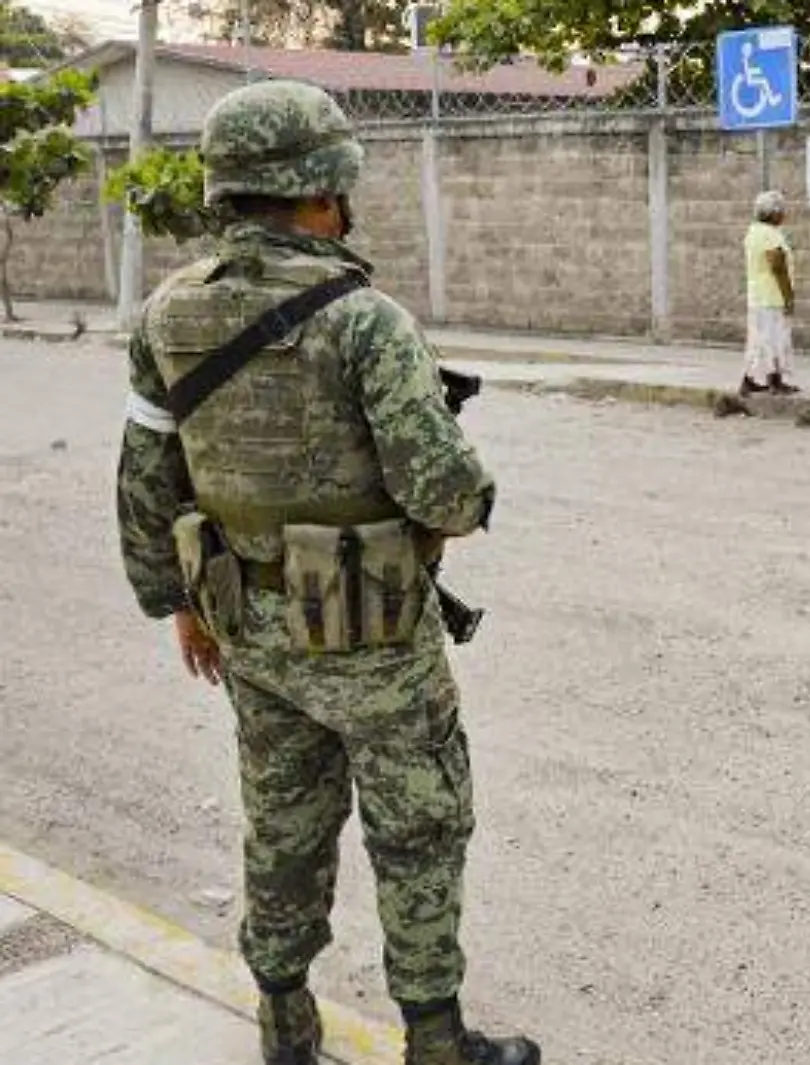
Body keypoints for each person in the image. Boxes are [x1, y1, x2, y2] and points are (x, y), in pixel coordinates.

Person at [113, 81, 539, 1065]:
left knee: (281, 830)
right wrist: (473, 502)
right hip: (373, 638)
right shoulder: (364, 321)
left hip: (248, 636)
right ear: (320, 189)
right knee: (419, 828)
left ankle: (285, 1033)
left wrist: (180, 601)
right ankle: (437, 1044)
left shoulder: (167, 316)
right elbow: (441, 492)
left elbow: (145, 475)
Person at [742, 189, 798, 396]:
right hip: (772, 296)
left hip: (757, 295)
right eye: (782, 211)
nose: (784, 214)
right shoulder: (770, 235)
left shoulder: (753, 231)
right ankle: (774, 381)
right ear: (773, 213)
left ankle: (749, 379)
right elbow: (778, 267)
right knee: (775, 339)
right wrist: (788, 296)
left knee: (758, 340)